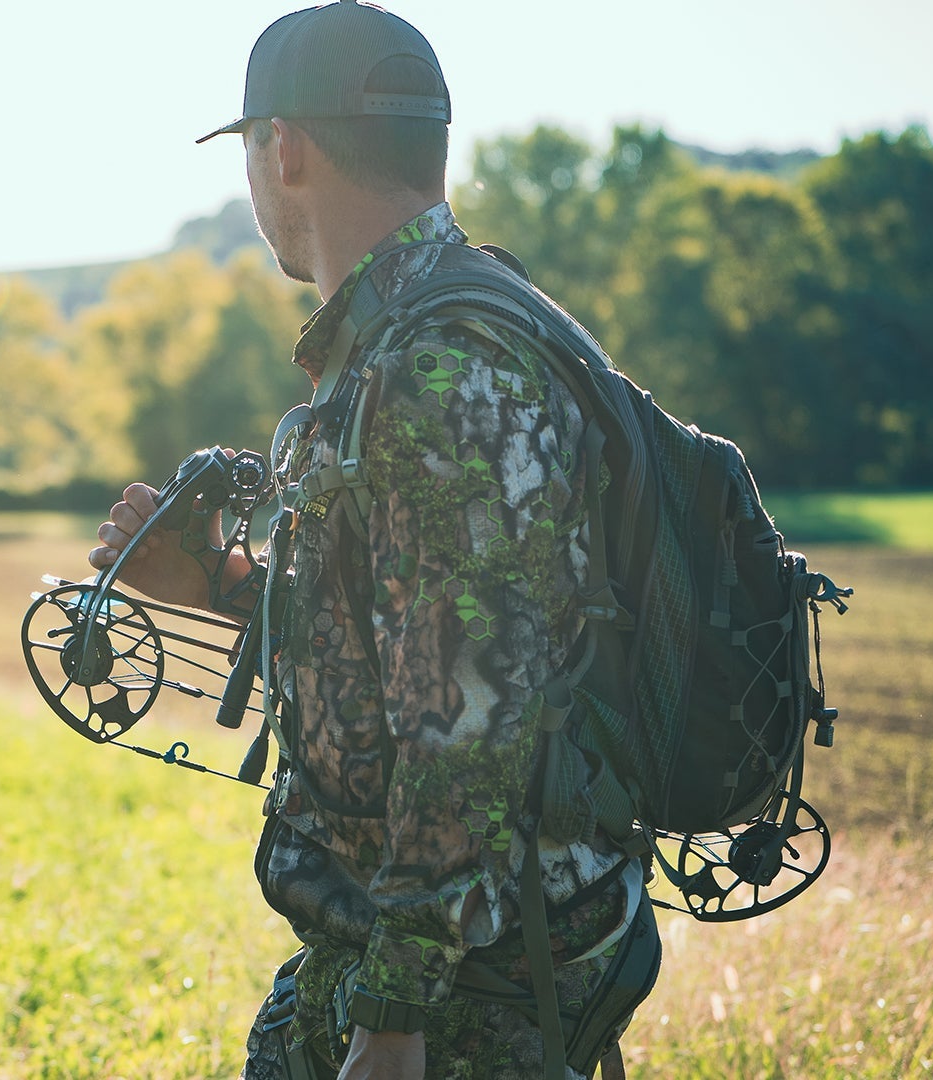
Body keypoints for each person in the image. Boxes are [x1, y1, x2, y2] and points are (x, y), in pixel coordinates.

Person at [87, 3, 658, 1078]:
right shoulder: (423, 335)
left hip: (475, 986)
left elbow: (469, 719)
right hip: (446, 955)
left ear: (283, 148)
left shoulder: (433, 368)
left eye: (250, 151)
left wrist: (393, 1024)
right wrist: (220, 587)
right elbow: (409, 644)